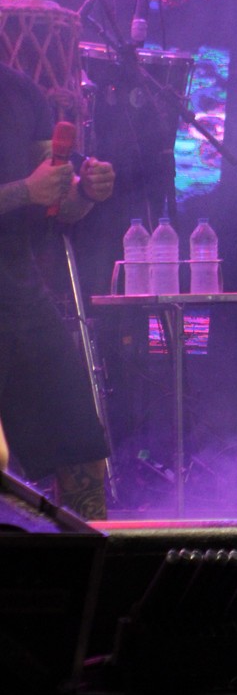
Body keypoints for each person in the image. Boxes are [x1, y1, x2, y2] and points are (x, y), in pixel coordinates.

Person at [0, 61, 115, 519]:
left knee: (80, 448)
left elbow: (57, 202)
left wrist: (85, 193)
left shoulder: (18, 91)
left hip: (18, 291)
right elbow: (31, 190)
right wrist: (24, 191)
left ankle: (88, 558)